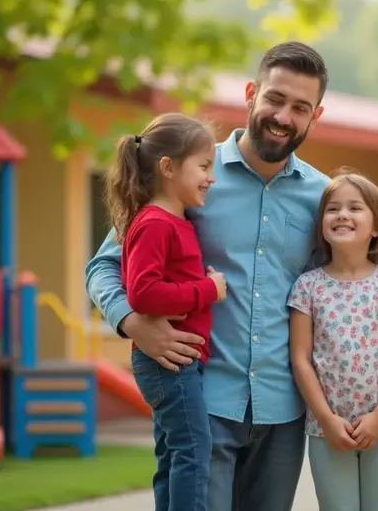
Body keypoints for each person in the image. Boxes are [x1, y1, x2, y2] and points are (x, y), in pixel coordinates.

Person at [85, 41, 332, 511]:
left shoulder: (323, 197)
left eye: (300, 107)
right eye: (275, 99)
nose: (283, 116)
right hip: (202, 395)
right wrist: (132, 323)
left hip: (283, 410)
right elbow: (104, 265)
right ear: (251, 93)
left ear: (315, 116)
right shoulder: (190, 172)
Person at [104, 113, 225, 511]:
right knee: (193, 449)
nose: (211, 178)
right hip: (167, 363)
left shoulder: (175, 220)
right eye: (204, 167)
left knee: (174, 455)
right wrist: (207, 290)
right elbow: (143, 294)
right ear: (168, 167)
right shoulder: (156, 222)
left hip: (177, 362)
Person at [288, 169, 378, 511]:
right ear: (322, 225)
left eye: (355, 208)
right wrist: (327, 419)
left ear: (376, 228)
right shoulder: (307, 286)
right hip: (327, 428)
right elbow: (300, 359)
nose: (342, 214)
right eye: (333, 208)